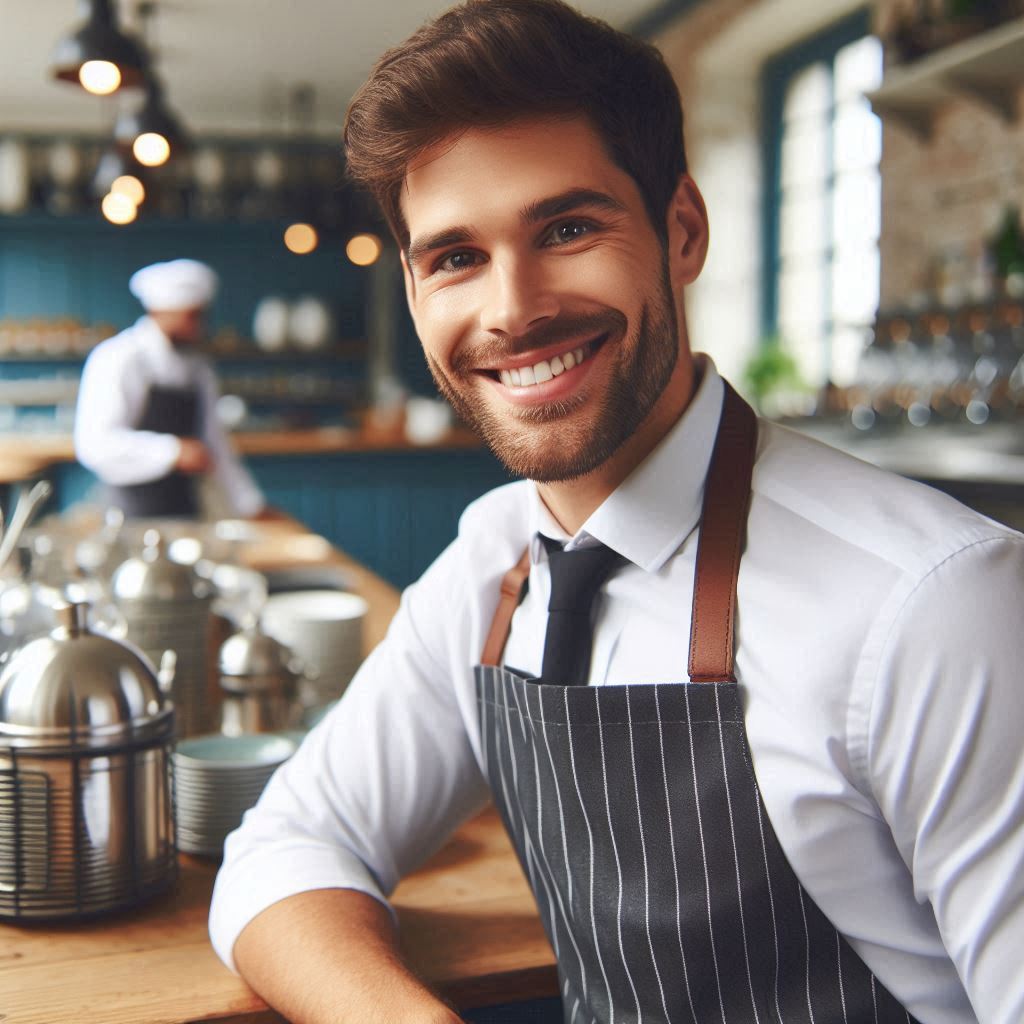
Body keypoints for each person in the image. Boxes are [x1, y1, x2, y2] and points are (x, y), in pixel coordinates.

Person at [209, 2, 1024, 1022]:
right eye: (455, 256)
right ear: (415, 290)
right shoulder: (492, 567)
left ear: (681, 232)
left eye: (567, 228)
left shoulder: (935, 604)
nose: (512, 307)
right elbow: (285, 847)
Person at [74, 258, 266, 519]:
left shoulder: (198, 369)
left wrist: (250, 505)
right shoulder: (119, 358)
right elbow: (95, 444)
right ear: (161, 310)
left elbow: (216, 443)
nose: (198, 327)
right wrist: (173, 451)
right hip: (131, 513)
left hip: (187, 509)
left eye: (201, 315)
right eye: (191, 316)